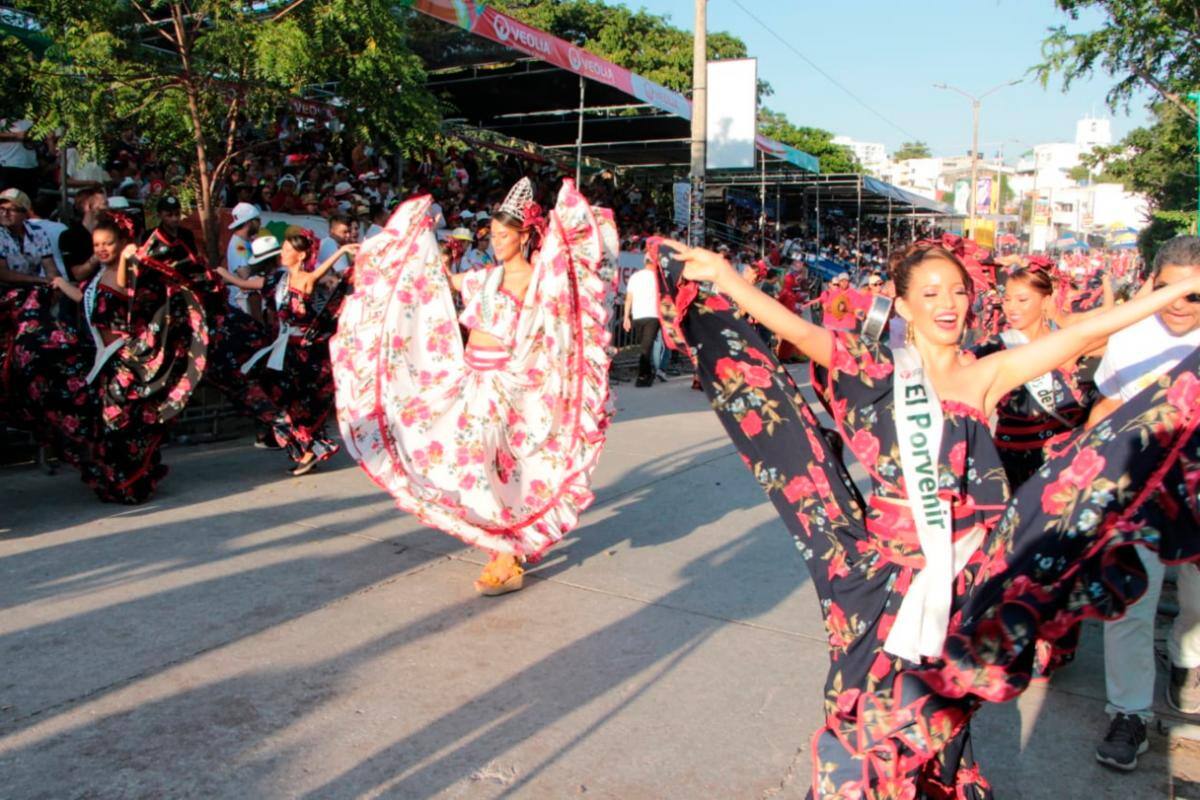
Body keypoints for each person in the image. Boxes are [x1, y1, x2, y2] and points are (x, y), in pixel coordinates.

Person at [653, 236, 1200, 797]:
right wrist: (727, 276)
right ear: (904, 304)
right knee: (861, 715)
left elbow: (1084, 334)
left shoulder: (986, 374)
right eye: (932, 292)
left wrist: (1177, 288)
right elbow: (795, 332)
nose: (950, 302)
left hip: (962, 579)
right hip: (880, 582)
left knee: (937, 723)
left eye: (959, 291)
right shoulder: (874, 369)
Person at [332, 178, 612, 596]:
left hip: (508, 385)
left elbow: (558, 314)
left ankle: (506, 551)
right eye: (494, 234)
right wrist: (414, 240)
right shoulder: (483, 278)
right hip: (470, 379)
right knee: (472, 465)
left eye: (505, 235)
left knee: (496, 465)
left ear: (524, 236)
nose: (497, 241)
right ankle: (500, 545)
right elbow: (436, 280)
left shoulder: (537, 281)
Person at [1091, 236, 1200, 771]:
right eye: (1166, 290)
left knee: (1197, 607)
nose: (1178, 304)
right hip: (1138, 492)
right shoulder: (1130, 337)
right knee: (1130, 602)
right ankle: (1128, 713)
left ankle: (1187, 659)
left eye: (1193, 293)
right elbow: (1106, 405)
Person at [239, 228, 355, 475]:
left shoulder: (305, 279)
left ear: (300, 255)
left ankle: (310, 450)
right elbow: (243, 283)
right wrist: (221, 274)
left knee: (304, 405)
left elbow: (318, 274)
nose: (283, 253)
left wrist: (342, 251)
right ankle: (304, 448)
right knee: (281, 400)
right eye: (283, 249)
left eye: (288, 250)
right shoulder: (277, 281)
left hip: (306, 355)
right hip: (285, 352)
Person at [972, 263, 1094, 486]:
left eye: (1022, 300)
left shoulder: (1070, 342)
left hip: (1064, 465)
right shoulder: (993, 347)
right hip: (1010, 465)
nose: (1011, 308)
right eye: (1007, 299)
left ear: (1046, 301)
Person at [0, 189, 59, 286]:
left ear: (24, 213)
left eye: (12, 209)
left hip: (32, 289)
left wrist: (55, 282)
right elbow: (2, 273)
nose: (5, 213)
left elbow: (50, 267)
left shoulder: (37, 232)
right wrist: (39, 280)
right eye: (2, 208)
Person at [623, 253, 660, 387]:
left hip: (639, 315)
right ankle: (647, 373)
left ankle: (643, 376)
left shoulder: (635, 276)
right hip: (651, 315)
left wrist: (626, 317)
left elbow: (629, 298)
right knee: (645, 347)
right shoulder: (657, 278)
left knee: (645, 347)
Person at [226, 202, 261, 314]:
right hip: (242, 304)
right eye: (257, 220)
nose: (259, 224)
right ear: (248, 223)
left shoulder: (245, 242)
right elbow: (244, 273)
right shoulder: (238, 246)